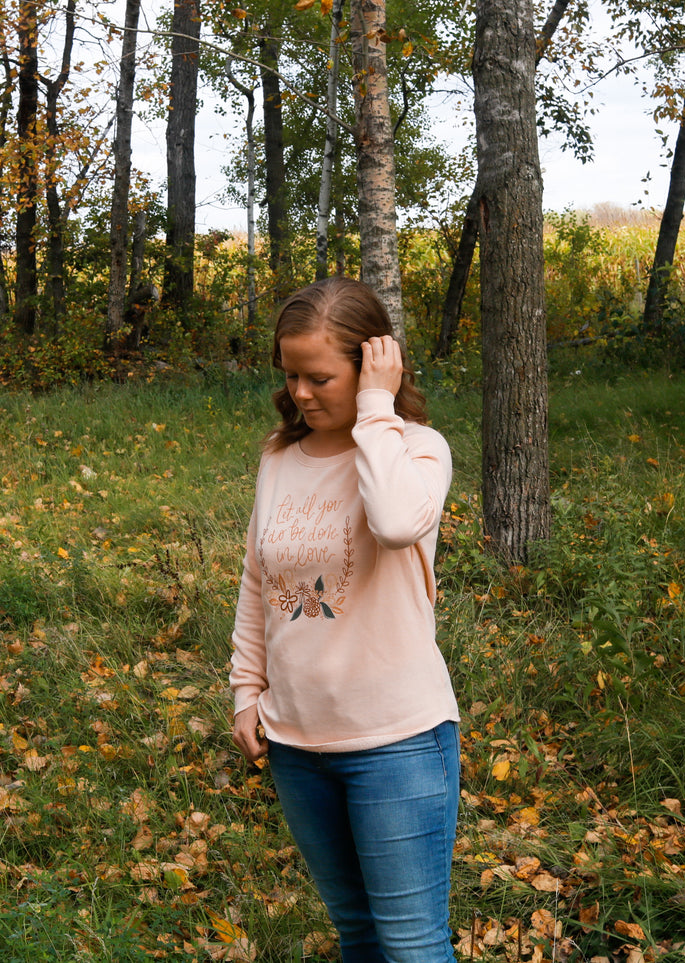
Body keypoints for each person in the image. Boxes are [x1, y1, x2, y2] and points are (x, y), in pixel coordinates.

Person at [229, 277, 459, 963]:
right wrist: (246, 688)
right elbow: (256, 577)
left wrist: (374, 413)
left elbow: (393, 523)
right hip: (297, 741)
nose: (301, 392)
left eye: (320, 376)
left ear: (371, 365)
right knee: (357, 937)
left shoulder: (416, 449)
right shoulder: (279, 457)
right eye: (291, 375)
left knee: (412, 944)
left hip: (396, 741)